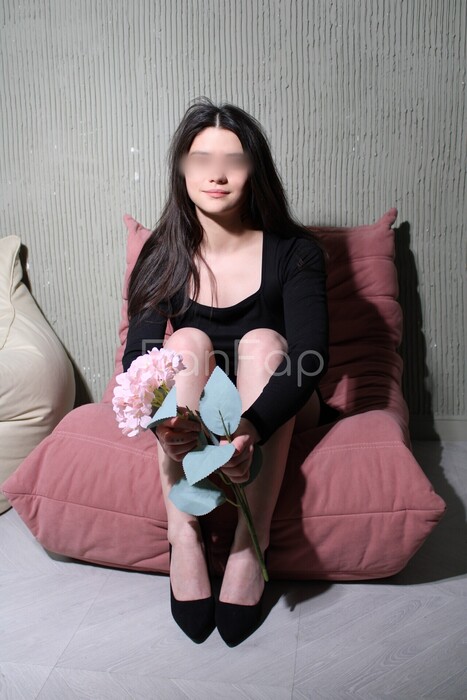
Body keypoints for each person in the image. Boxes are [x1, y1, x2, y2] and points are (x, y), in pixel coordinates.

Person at [122, 98, 339, 646]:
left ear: (254, 169)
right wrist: (164, 423)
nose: (216, 174)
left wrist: (252, 425)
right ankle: (183, 534)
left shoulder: (295, 252)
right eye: (201, 159)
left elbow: (311, 355)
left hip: (277, 404)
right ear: (182, 169)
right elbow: (139, 358)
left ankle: (250, 541)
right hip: (197, 409)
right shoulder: (163, 252)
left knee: (265, 342)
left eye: (233, 160)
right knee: (185, 343)